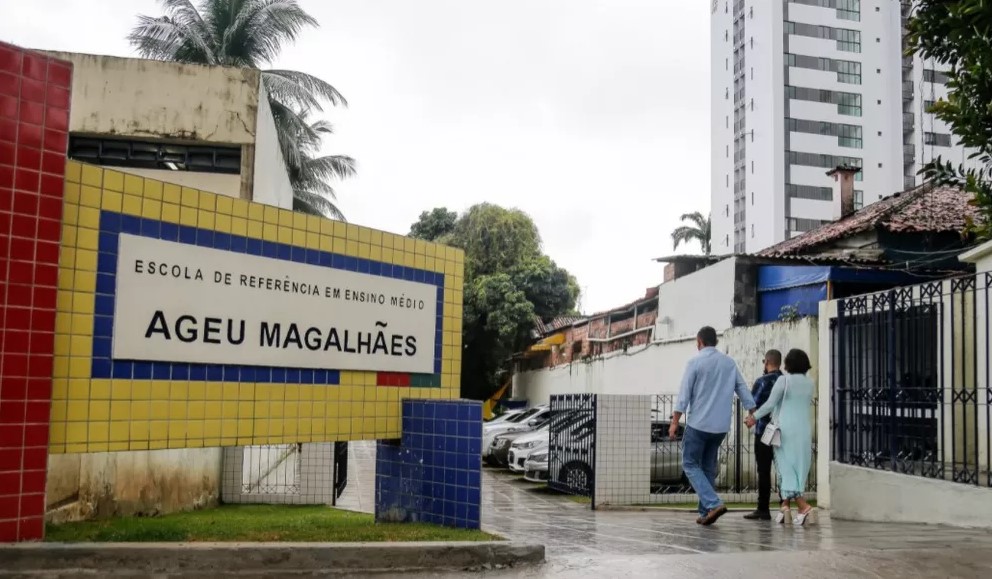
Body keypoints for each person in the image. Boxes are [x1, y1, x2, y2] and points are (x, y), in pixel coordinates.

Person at [671, 326, 756, 526]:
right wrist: (752, 410)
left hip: (698, 424)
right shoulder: (729, 363)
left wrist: (675, 421)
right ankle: (706, 511)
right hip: (720, 427)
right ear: (715, 342)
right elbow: (742, 387)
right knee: (708, 467)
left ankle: (713, 503)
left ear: (699, 342)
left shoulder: (694, 362)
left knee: (690, 464)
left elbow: (684, 394)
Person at [746, 348, 816, 526]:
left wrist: (753, 417)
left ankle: (802, 506)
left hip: (784, 431)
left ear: (788, 364)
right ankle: (785, 506)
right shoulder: (810, 383)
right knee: (797, 467)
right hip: (803, 430)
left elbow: (770, 404)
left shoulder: (784, 381)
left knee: (784, 467)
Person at [743, 349, 783, 521]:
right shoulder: (785, 380)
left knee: (764, 470)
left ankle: (763, 508)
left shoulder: (762, 381)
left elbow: (753, 403)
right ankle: (784, 505)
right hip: (782, 430)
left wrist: (752, 417)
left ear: (766, 362)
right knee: (782, 469)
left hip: (764, 431)